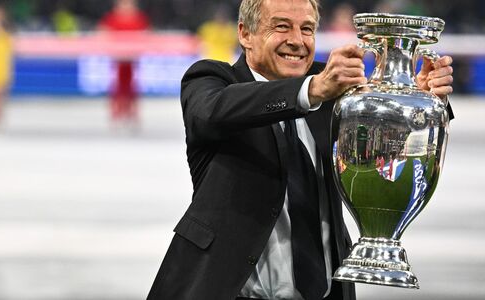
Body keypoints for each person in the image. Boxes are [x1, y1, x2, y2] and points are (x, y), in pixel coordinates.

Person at [147, 0, 455, 299]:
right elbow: (210, 112)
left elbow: (383, 156)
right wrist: (311, 90)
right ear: (245, 34)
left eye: (307, 29)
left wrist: (417, 99)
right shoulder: (212, 80)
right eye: (281, 27)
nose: (297, 41)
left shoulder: (336, 91)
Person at [98, 0, 150, 131]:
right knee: (117, 85)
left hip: (132, 58)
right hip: (118, 58)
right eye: (123, 4)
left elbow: (146, 34)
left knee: (132, 85)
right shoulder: (112, 18)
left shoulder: (139, 18)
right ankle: (117, 112)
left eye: (129, 4)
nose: (126, 7)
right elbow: (103, 32)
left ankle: (131, 113)